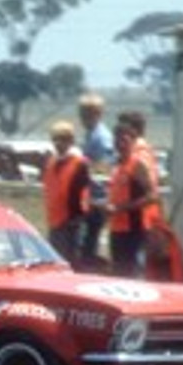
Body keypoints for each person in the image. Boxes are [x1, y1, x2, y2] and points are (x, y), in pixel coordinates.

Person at [104, 123, 158, 278]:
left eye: (124, 140)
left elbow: (152, 196)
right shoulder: (117, 165)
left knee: (132, 272)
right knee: (118, 272)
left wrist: (121, 208)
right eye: (117, 140)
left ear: (132, 142)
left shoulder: (137, 165)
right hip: (117, 228)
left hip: (133, 228)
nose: (120, 144)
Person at [41, 120, 92, 265]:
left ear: (71, 140)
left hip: (71, 222)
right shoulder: (52, 162)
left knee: (71, 261)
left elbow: (84, 193)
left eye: (62, 139)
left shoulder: (80, 163)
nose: (58, 143)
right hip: (54, 221)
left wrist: (77, 218)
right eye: (55, 139)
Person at [77, 93, 115, 268]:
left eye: (88, 112)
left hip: (97, 201)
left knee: (91, 248)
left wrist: (98, 200)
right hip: (90, 198)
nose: (83, 116)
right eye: (82, 112)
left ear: (98, 113)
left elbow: (102, 171)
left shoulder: (101, 138)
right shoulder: (90, 135)